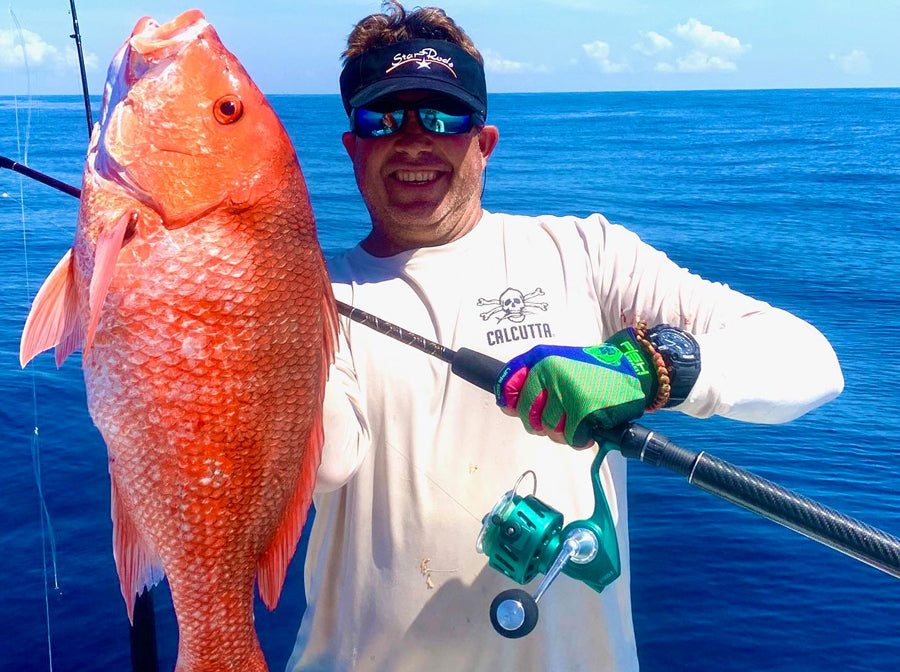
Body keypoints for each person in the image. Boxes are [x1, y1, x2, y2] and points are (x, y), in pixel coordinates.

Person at [287, 3, 844, 671]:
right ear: (352, 145)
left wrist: (651, 368)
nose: (413, 140)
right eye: (384, 118)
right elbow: (324, 461)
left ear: (483, 142)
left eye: (442, 116)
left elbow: (812, 365)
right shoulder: (309, 296)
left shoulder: (586, 253)